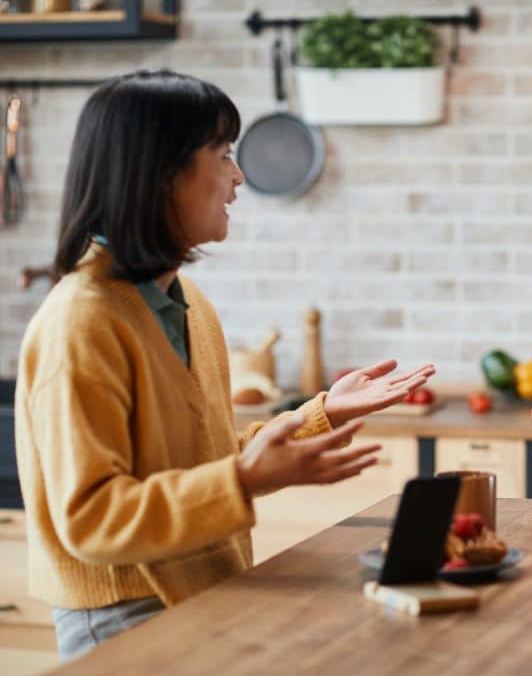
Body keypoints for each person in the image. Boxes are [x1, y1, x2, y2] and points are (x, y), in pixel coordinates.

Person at [14, 70, 435, 661]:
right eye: (222, 155)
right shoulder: (81, 323)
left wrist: (319, 414)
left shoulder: (188, 304)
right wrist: (243, 482)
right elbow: (92, 521)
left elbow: (197, 460)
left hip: (205, 591)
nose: (238, 178)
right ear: (160, 172)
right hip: (124, 613)